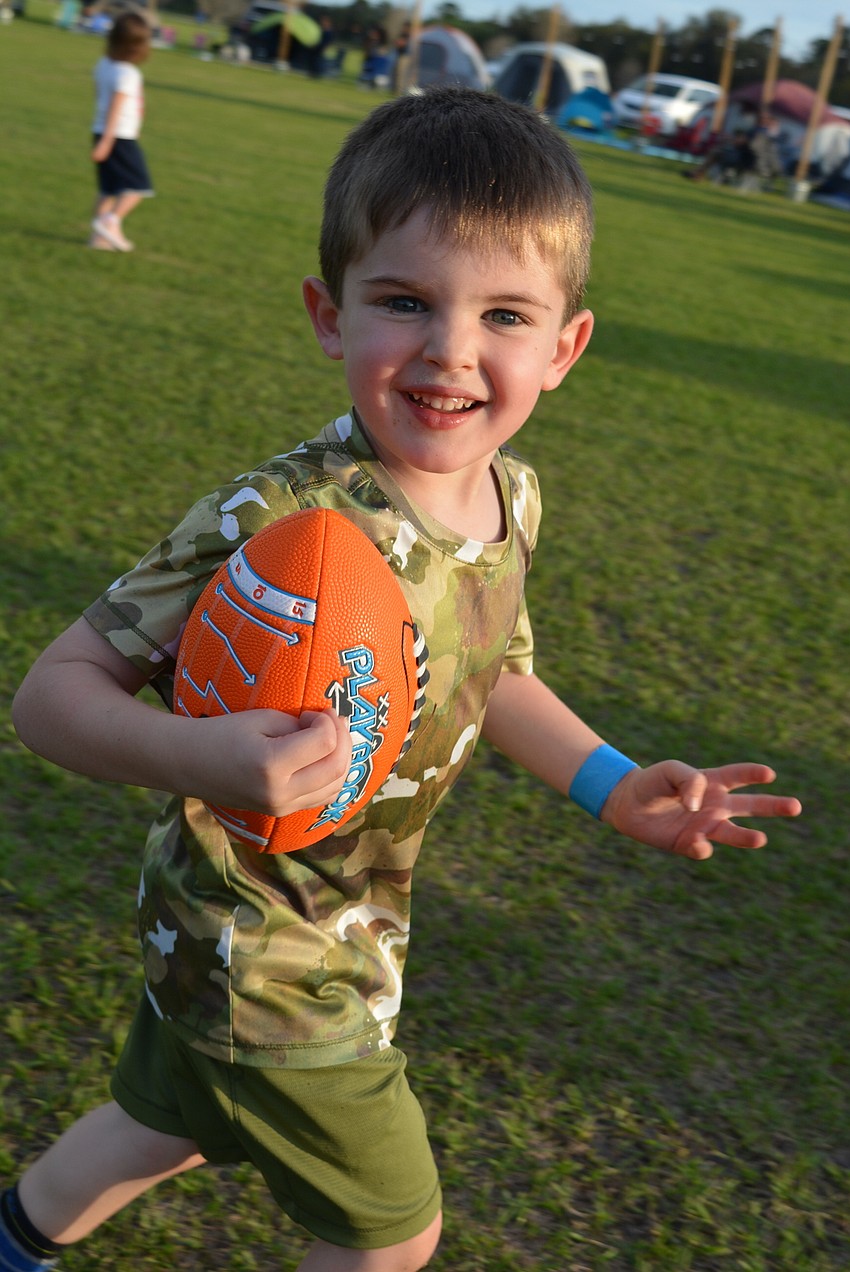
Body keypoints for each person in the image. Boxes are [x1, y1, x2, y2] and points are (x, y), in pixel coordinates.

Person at [6, 88, 801, 1272]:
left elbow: (498, 670)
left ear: (565, 347)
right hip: (259, 940)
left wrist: (613, 785)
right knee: (391, 1235)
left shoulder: (513, 495)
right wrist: (204, 755)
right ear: (331, 316)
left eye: (505, 314)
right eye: (403, 302)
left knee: (167, 1125)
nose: (450, 350)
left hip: (350, 925)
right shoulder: (277, 515)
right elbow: (50, 695)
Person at [89, 12, 154, 253]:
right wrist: (108, 141)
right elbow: (117, 107)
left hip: (100, 131)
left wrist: (101, 136)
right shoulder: (128, 73)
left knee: (108, 189)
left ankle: (98, 239)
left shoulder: (103, 65)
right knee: (138, 188)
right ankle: (111, 222)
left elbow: (100, 100)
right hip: (119, 136)